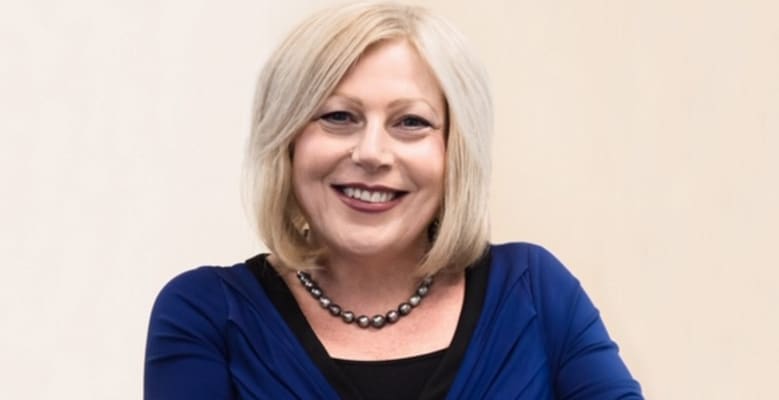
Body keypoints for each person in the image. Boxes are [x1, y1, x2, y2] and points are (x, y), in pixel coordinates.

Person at [144, 2, 643, 399]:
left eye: (411, 122)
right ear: (287, 141)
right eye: (338, 117)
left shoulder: (536, 293)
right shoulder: (207, 314)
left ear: (454, 151)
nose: (372, 153)